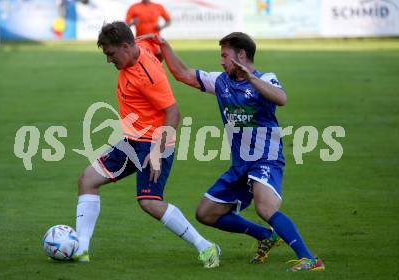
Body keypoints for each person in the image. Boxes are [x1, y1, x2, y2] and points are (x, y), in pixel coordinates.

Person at [141, 32, 325, 272]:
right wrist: (163, 45)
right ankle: (265, 236)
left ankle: (310, 259)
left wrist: (250, 78)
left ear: (241, 55)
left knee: (265, 208)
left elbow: (281, 98)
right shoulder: (220, 81)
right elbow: (183, 74)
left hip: (265, 159)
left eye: (224, 55)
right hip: (240, 165)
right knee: (205, 213)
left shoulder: (266, 78)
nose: (221, 61)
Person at [72, 21, 220, 269]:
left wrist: (156, 151)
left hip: (154, 142)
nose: (109, 61)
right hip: (131, 140)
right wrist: (160, 43)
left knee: (149, 201)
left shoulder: (148, 77)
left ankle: (206, 246)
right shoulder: (139, 44)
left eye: (111, 54)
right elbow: (154, 44)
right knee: (87, 180)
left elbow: (173, 113)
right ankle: (81, 249)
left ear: (126, 47)